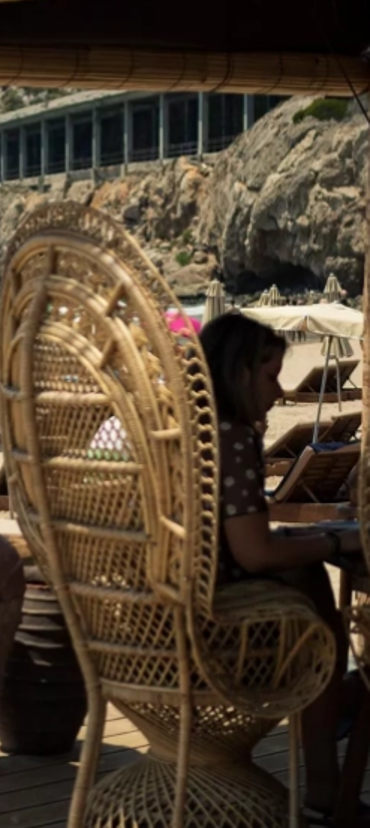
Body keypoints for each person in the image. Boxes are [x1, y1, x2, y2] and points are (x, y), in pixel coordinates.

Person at [201, 312, 363, 823]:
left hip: (150, 612)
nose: (278, 391)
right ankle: (329, 757)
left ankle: (336, 720)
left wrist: (319, 543)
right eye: (270, 376)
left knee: (308, 579)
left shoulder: (185, 431)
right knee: (318, 617)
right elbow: (255, 554)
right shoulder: (231, 438)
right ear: (238, 372)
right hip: (216, 628)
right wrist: (340, 542)